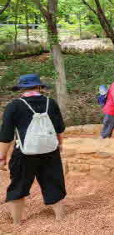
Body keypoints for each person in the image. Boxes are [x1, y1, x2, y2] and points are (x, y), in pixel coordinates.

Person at [0, 74, 66, 224]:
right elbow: (59, 129)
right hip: (50, 151)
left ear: (21, 88)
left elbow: (5, 135)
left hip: (24, 153)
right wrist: (59, 144)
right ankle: (60, 218)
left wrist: (2, 157)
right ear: (40, 87)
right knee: (53, 182)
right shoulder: (51, 103)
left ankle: (17, 222)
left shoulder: (14, 106)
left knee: (18, 185)